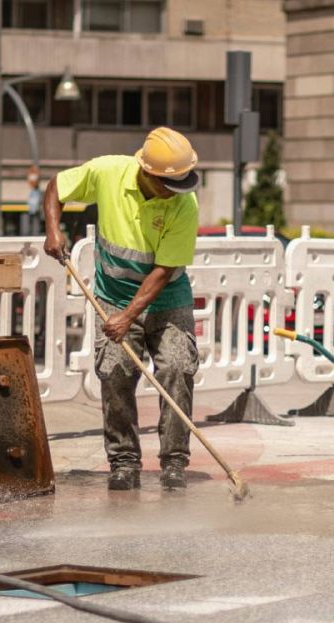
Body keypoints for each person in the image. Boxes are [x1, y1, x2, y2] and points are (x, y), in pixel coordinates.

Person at [42, 127, 201, 492]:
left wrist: (128, 316)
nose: (175, 192)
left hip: (166, 299)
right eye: (168, 184)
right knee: (115, 371)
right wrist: (54, 229)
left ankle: (175, 462)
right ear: (147, 172)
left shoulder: (184, 204)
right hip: (112, 297)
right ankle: (124, 461)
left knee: (177, 368)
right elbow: (57, 186)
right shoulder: (108, 172)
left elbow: (162, 272)